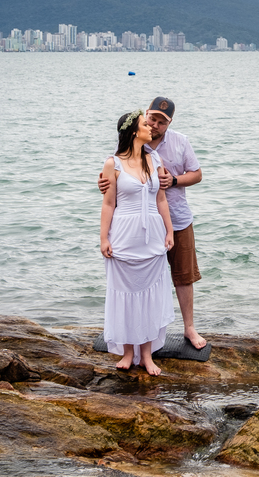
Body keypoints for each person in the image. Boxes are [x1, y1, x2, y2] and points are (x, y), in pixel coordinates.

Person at [99, 95, 206, 350]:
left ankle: (189, 328)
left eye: (162, 122)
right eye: (152, 119)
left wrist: (175, 180)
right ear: (146, 115)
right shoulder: (136, 138)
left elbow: (197, 174)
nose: (155, 125)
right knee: (137, 282)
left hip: (177, 219)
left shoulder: (180, 142)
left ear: (169, 123)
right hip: (137, 228)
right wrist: (103, 181)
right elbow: (117, 169)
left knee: (183, 275)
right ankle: (134, 338)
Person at [99, 109, 175, 374]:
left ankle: (147, 354)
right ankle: (128, 352)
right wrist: (103, 238)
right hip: (124, 236)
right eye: (145, 124)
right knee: (126, 295)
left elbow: (161, 199)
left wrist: (169, 231)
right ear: (133, 132)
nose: (150, 127)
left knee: (150, 296)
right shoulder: (113, 164)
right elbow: (108, 204)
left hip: (153, 236)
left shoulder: (155, 159)